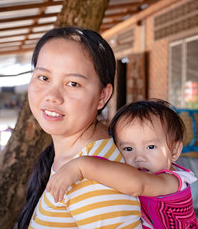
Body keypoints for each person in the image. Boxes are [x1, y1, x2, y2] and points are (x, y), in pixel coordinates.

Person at [17, 27, 142, 229]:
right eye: (44, 77)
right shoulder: (71, 158)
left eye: (73, 83)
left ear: (102, 95)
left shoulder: (96, 181)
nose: (52, 96)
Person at [47, 99, 198, 228]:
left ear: (174, 151)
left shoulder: (173, 181)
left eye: (151, 147)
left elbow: (137, 185)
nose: (139, 157)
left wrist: (81, 166)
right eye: (128, 148)